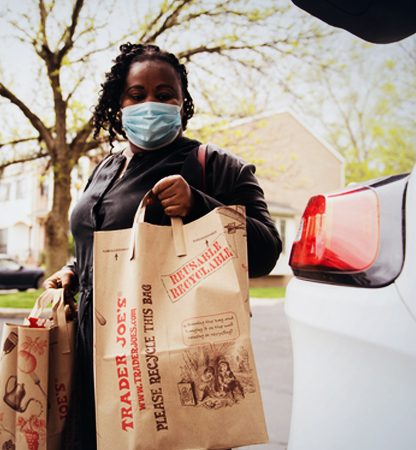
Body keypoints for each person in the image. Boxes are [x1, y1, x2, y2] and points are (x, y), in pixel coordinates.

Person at [44, 42, 282, 449]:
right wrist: (72, 270)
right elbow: (101, 242)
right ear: (118, 104)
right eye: (137, 95)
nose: (150, 103)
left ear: (182, 102)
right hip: (90, 358)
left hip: (160, 365)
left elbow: (266, 252)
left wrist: (199, 206)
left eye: (164, 94)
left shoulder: (215, 166)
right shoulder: (105, 168)